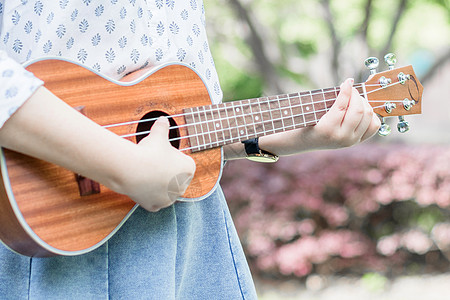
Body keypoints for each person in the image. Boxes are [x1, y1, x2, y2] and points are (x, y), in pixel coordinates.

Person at [0, 1, 380, 299]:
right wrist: (121, 166)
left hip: (194, 234)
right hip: (51, 221)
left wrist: (289, 137)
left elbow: (176, 123)